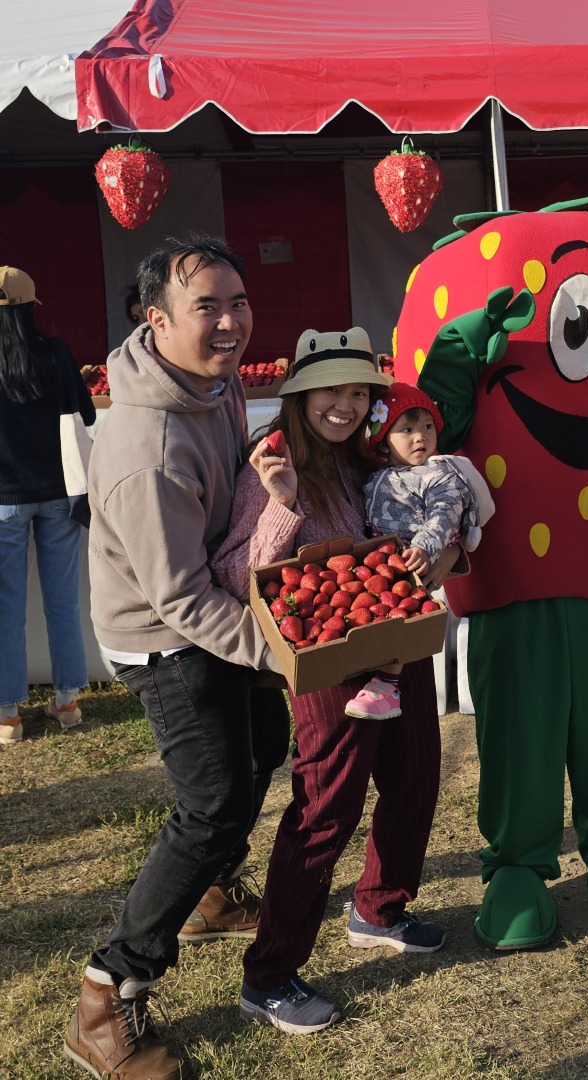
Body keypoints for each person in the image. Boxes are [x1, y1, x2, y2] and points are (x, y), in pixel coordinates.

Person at [64, 236, 290, 1080]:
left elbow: (223, 499)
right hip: (164, 640)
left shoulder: (215, 380)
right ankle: (107, 988)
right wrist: (279, 652)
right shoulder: (146, 447)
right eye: (208, 307)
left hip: (213, 612)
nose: (230, 322)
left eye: (238, 302)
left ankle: (207, 895)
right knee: (216, 801)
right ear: (155, 321)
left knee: (265, 747)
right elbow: (181, 601)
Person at [210, 328, 449, 1035]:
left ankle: (380, 907)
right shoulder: (272, 462)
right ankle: (269, 974)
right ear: (298, 394)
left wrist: (434, 557)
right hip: (326, 656)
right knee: (327, 806)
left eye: (357, 393)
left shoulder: (366, 460)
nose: (344, 405)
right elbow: (234, 572)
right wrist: (282, 503)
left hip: (397, 638)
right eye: (330, 391)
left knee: (415, 775)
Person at [350, 381, 492, 719]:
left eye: (428, 426)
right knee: (379, 608)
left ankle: (387, 685)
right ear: (383, 440)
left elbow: (443, 515)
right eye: (408, 429)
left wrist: (425, 549)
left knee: (402, 610)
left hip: (415, 557)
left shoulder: (438, 474)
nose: (421, 436)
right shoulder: (377, 476)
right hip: (382, 559)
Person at [0, 266, 94, 744]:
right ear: (29, 308)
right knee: (63, 601)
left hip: (3, 500)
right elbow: (88, 413)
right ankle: (68, 701)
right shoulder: (54, 352)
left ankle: (8, 714)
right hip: (59, 492)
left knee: (4, 606)